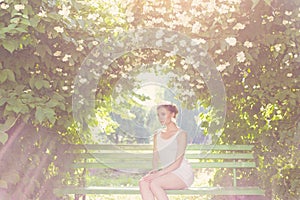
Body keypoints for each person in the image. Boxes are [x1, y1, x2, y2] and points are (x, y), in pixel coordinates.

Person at [139, 102, 194, 200]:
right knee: (143, 182)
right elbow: (155, 157)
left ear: (172, 114)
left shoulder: (181, 134)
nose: (160, 118)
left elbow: (177, 163)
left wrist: (158, 174)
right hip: (165, 173)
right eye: (158, 115)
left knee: (155, 183)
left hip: (181, 173)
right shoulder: (157, 134)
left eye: (163, 114)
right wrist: (155, 170)